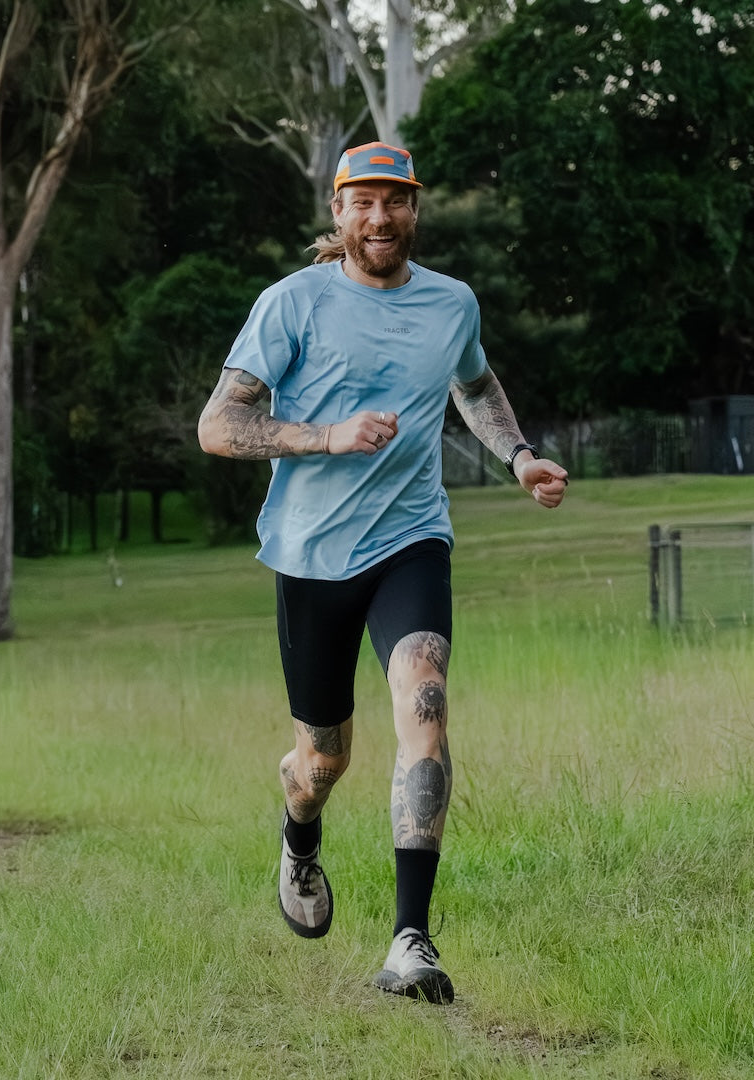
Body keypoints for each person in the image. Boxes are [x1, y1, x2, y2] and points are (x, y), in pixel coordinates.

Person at [197, 141, 568, 1004]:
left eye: (394, 201)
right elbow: (218, 425)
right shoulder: (294, 303)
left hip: (410, 540)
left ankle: (411, 941)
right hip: (312, 555)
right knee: (323, 761)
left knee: (425, 704)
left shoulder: (451, 303)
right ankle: (299, 832)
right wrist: (324, 435)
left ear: (414, 208)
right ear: (338, 213)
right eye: (362, 203)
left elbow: (473, 386)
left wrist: (516, 456)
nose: (380, 218)